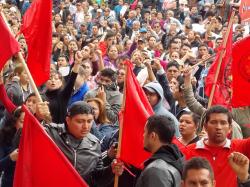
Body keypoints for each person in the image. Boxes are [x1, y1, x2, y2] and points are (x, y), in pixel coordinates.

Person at [37, 101, 124, 186]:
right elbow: (30, 137)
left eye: (89, 121)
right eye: (80, 121)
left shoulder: (94, 144)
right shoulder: (51, 133)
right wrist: (38, 117)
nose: (85, 126)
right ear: (68, 120)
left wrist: (111, 170)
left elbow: (96, 179)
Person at [182, 105, 250, 187]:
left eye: (223, 123)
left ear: (230, 128)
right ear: (205, 127)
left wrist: (244, 178)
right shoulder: (187, 151)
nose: (218, 127)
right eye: (213, 122)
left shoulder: (241, 146)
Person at [136, 115, 184, 187]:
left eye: (145, 131)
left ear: (153, 136)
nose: (143, 135)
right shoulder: (176, 158)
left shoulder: (156, 170)